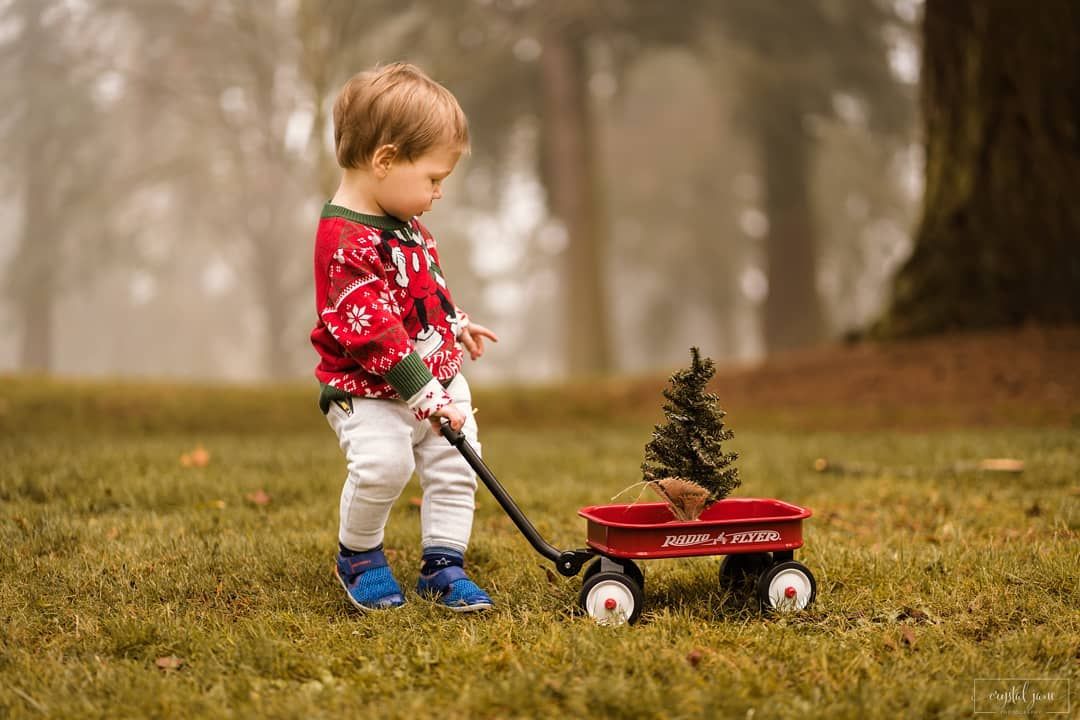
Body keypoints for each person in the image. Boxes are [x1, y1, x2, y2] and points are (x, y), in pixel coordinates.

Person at [310, 62, 498, 613]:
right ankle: (360, 556)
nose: (438, 192)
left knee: (457, 466)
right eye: (434, 178)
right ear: (385, 159)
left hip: (434, 378)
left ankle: (444, 566)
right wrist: (428, 398)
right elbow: (378, 335)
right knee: (384, 466)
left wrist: (455, 323)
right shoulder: (345, 242)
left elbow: (418, 292)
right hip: (368, 389)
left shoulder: (406, 221)